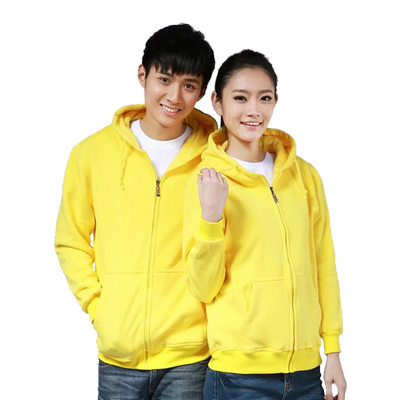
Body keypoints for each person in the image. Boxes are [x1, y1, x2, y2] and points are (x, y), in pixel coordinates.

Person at [55, 24, 216, 400]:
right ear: (143, 75)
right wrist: (99, 308)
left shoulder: (215, 156)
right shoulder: (91, 153)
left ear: (202, 93)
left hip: (191, 356)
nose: (174, 96)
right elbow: (70, 240)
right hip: (119, 357)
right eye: (164, 79)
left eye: (189, 85)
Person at [183, 50, 346, 400]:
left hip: (306, 374)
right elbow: (202, 288)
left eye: (265, 98)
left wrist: (332, 349)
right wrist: (211, 218)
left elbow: (323, 264)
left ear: (275, 101)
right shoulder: (204, 179)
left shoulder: (304, 176)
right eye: (240, 98)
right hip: (238, 377)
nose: (253, 110)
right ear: (217, 102)